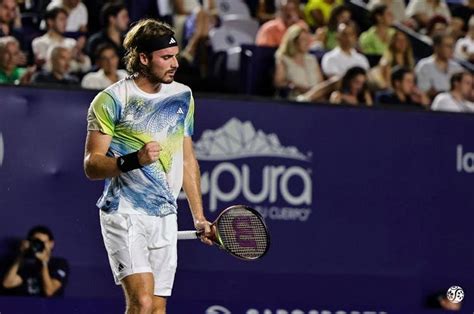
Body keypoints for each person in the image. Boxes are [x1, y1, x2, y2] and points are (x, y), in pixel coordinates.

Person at [83, 19, 213, 314]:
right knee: (141, 302)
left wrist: (199, 216)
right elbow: (92, 165)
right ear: (143, 58)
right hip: (124, 212)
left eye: (176, 56)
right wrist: (135, 160)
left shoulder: (183, 95)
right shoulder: (111, 100)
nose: (175, 64)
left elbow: (187, 158)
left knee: (156, 308)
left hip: (165, 214)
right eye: (166, 57)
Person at [1, 226, 69, 297]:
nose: (38, 245)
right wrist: (21, 255)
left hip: (50, 307)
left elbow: (49, 291)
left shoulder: (59, 264)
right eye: (35, 242)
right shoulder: (26, 264)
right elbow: (7, 284)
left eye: (42, 242)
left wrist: (44, 263)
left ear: (51, 244)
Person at [32, 7, 91, 73]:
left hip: (72, 79)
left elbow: (86, 67)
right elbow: (47, 67)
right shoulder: (40, 42)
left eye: (66, 20)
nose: (65, 23)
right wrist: (71, 57)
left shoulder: (71, 42)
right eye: (62, 19)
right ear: (50, 22)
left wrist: (79, 57)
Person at [274, 24, 324, 100]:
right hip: (296, 99)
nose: (307, 43)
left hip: (316, 98)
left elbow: (320, 83)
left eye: (308, 40)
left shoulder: (312, 59)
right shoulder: (283, 58)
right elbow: (279, 82)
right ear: (293, 41)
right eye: (303, 40)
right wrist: (295, 87)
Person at [415, 32, 463, 99]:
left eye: (452, 46)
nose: (451, 49)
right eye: (447, 46)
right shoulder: (424, 65)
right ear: (436, 47)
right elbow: (424, 91)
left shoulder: (457, 68)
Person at [86, 1, 129, 66]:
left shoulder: (127, 41)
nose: (127, 20)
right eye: (124, 16)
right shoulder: (96, 41)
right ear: (112, 19)